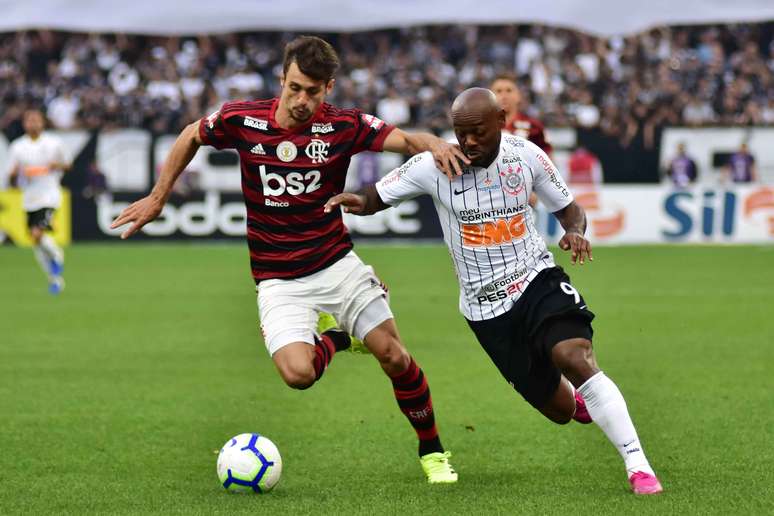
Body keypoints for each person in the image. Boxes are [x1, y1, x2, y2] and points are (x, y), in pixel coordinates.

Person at [110, 36, 468, 484]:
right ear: (282, 78)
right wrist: (158, 197)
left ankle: (432, 452)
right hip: (277, 277)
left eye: (313, 92)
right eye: (295, 87)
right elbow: (191, 134)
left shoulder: (344, 126)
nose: (302, 100)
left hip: (337, 264)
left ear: (329, 88)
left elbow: (405, 139)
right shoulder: (242, 119)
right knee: (298, 375)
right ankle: (338, 338)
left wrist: (435, 143)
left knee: (394, 356)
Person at [325, 88, 663, 495]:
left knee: (573, 355)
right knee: (558, 410)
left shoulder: (527, 156)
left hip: (537, 280)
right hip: (486, 312)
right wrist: (354, 200)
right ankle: (578, 403)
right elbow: (376, 196)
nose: (468, 142)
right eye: (460, 133)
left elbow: (569, 208)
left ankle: (638, 465)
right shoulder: (432, 167)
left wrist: (574, 232)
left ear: (501, 120)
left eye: (477, 132)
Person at [5, 108, 71, 294]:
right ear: (25, 124)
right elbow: (11, 176)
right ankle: (54, 279)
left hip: (50, 195)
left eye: (36, 120)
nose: (33, 123)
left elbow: (68, 165)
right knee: (36, 242)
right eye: (29, 120)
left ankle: (57, 254)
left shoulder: (54, 143)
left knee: (36, 233)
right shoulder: (18, 146)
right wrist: (13, 176)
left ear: (43, 123)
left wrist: (56, 165)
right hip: (30, 198)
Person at [491, 74, 552, 207]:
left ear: (518, 96)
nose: (504, 95)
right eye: (499, 91)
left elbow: (547, 162)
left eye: (509, 90)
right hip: (491, 197)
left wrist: (537, 190)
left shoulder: (534, 126)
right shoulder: (483, 128)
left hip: (528, 199)